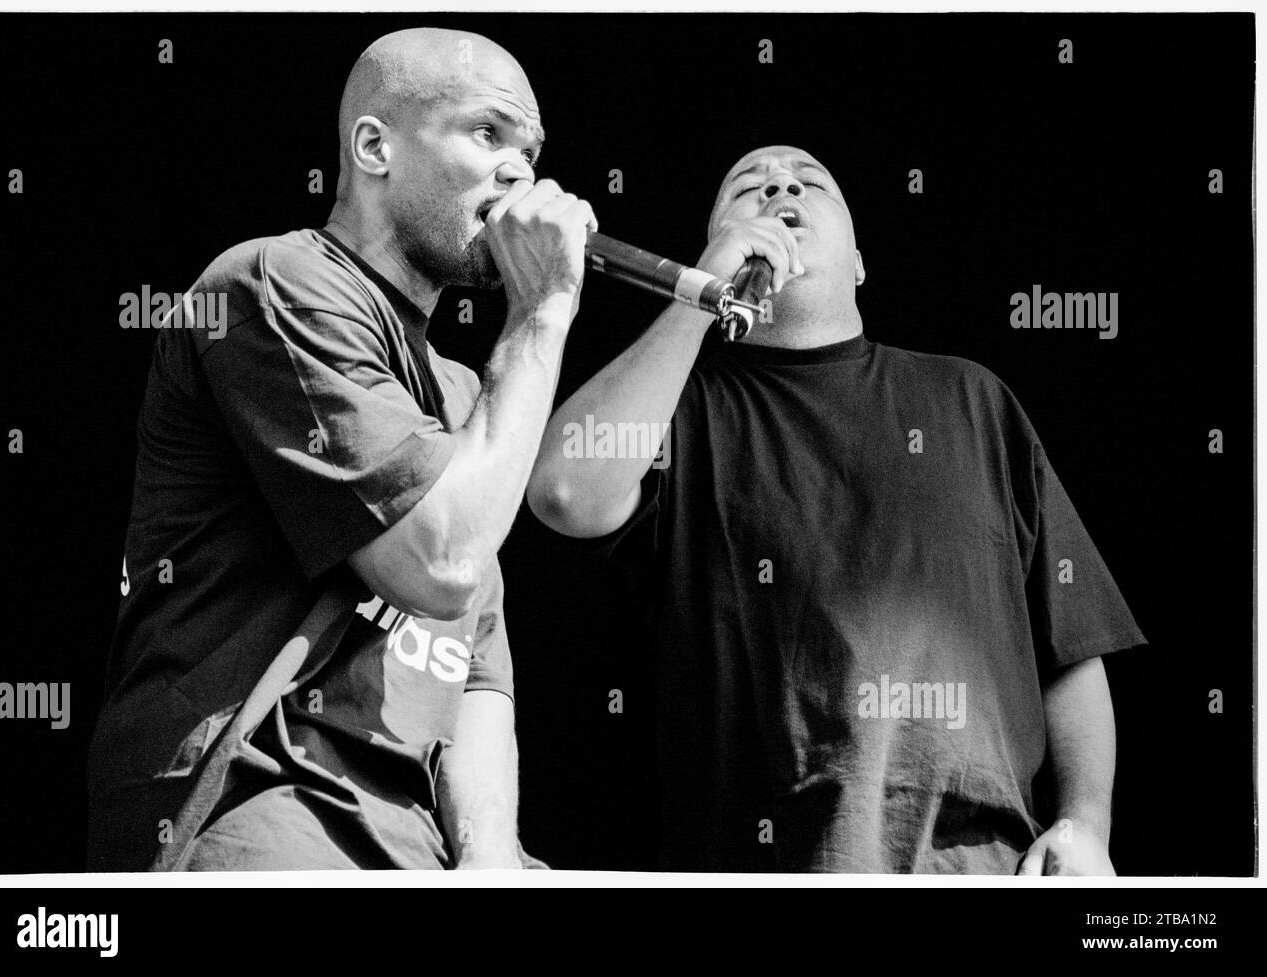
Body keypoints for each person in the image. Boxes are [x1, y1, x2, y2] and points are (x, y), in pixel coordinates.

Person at [527, 145, 1146, 874]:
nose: (780, 187)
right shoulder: (679, 409)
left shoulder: (972, 399)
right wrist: (698, 296)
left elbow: (1070, 645)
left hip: (985, 865)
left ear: (858, 263)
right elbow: (566, 492)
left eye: (808, 182)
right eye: (746, 189)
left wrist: (1085, 822)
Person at [87, 27, 596, 871]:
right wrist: (543, 315)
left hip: (415, 840)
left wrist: (494, 856)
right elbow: (441, 562)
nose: (520, 173)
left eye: (531, 152)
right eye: (488, 134)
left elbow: (477, 674)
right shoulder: (274, 281)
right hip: (263, 806)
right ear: (373, 146)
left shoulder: (474, 393)